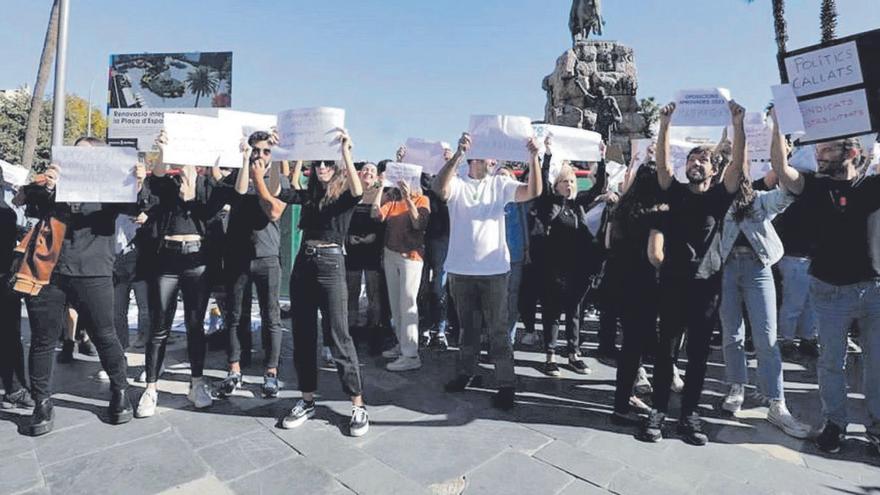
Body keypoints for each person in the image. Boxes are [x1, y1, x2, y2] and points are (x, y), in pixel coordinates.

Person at [769, 110, 880, 455]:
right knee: (832, 362)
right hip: (828, 290)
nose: (818, 155)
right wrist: (778, 125)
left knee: (876, 363)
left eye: (827, 150)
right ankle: (836, 423)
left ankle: (876, 427)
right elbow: (782, 168)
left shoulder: (872, 185)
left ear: (850, 153)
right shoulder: (815, 186)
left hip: (873, 289)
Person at [16, 136, 142, 436]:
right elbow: (28, 203)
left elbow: (136, 204)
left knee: (105, 334)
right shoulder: (54, 184)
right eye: (76, 153)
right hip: (48, 271)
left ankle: (119, 391)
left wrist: (136, 180)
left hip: (93, 270)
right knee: (43, 340)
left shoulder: (111, 189)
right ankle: (42, 402)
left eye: (88, 155)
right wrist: (48, 183)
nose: (80, 159)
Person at [638, 100, 746, 446]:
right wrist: (665, 124)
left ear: (713, 169)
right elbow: (661, 165)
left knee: (698, 355)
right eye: (691, 159)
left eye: (702, 160)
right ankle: (657, 411)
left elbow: (738, 170)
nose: (695, 163)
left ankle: (689, 415)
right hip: (672, 284)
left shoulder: (718, 197)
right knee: (666, 352)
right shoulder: (673, 193)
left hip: (707, 288)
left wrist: (737, 124)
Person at [251, 130, 369, 437]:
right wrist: (278, 156)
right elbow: (279, 193)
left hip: (331, 264)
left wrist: (346, 152)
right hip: (304, 263)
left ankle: (357, 404)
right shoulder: (309, 195)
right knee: (303, 334)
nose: (322, 168)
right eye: (318, 163)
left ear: (337, 167)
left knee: (339, 335)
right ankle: (306, 400)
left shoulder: (343, 197)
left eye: (327, 164)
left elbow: (357, 190)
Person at [433, 132, 542, 410]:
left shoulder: (500, 184)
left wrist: (534, 156)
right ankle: (466, 372)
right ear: (476, 158)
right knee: (467, 330)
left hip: (494, 272)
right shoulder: (457, 183)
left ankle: (506, 383)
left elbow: (533, 191)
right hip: (461, 271)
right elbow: (438, 188)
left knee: (498, 330)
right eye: (489, 155)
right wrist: (458, 154)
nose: (494, 160)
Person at [135, 131, 228, 418]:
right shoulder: (168, 183)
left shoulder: (207, 185)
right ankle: (151, 387)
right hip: (166, 259)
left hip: (197, 260)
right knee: (159, 325)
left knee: (195, 324)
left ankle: (196, 383)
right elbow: (157, 177)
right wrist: (162, 149)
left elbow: (216, 205)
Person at [717, 156, 810, 438]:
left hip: (758, 268)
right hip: (726, 269)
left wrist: (781, 161)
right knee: (731, 333)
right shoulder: (717, 200)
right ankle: (737, 386)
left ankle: (776, 401)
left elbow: (787, 195)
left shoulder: (758, 199)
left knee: (767, 335)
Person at [216, 131, 289, 399]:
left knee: (271, 316)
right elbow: (237, 190)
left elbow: (275, 197)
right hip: (238, 256)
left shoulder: (275, 176)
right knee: (236, 316)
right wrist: (246, 160)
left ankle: (271, 371)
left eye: (266, 151)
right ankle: (234, 369)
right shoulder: (240, 174)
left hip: (267, 257)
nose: (260, 155)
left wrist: (277, 159)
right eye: (256, 149)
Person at [534, 148, 610, 377]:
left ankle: (573, 354)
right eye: (564, 181)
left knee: (574, 311)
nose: (569, 185)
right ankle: (550, 356)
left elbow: (598, 187)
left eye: (572, 181)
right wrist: (547, 155)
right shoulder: (551, 203)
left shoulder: (578, 204)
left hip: (578, 268)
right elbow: (543, 184)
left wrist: (602, 159)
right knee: (552, 312)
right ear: (556, 185)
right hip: (553, 268)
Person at [608, 162, 666, 425]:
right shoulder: (656, 213)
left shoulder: (621, 208)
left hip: (620, 282)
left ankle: (624, 398)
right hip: (646, 285)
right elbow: (655, 255)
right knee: (637, 347)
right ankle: (622, 405)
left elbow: (609, 242)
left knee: (630, 344)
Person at [371, 172, 430, 371]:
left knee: (408, 303)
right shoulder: (394, 199)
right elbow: (376, 214)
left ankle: (411, 355)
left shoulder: (423, 199)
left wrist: (408, 199)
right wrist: (382, 188)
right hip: (391, 254)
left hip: (410, 257)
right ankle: (402, 344)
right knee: (396, 303)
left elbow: (418, 223)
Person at [345, 162, 385, 355]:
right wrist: (347, 237)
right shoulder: (352, 193)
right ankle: (351, 331)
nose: (368, 172)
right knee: (351, 291)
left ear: (377, 177)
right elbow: (342, 219)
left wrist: (380, 188)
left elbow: (376, 214)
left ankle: (374, 332)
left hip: (373, 247)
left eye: (372, 171)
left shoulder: (380, 195)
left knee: (373, 292)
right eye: (365, 170)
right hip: (352, 247)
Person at [0, 167, 31, 410]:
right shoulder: (8, 211)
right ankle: (15, 388)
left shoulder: (9, 211)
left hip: (4, 280)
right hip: (5, 280)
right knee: (10, 336)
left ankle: (15, 387)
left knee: (9, 336)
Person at [496, 165, 530, 346]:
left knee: (512, 296)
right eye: (498, 176)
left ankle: (508, 336)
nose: (502, 180)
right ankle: (494, 335)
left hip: (515, 253)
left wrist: (526, 249)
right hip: (493, 256)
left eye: (505, 176)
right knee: (495, 298)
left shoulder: (519, 199)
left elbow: (524, 224)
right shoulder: (490, 199)